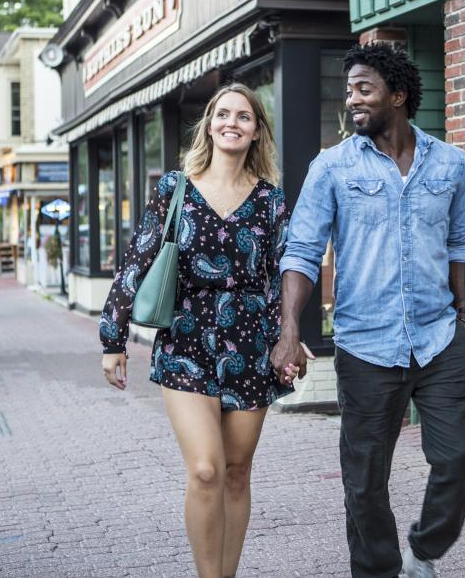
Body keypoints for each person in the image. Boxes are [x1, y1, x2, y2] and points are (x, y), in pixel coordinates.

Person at [272, 43, 465, 578]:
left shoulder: (451, 163)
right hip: (366, 345)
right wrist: (290, 330)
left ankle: (424, 550)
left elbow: (461, 243)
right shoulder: (333, 167)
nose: (352, 101)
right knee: (365, 481)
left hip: (439, 339)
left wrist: (462, 314)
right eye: (349, 92)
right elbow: (301, 252)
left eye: (363, 89)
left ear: (399, 94)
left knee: (460, 456)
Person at [99, 83, 300, 578]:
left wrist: (289, 335)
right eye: (223, 114)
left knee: (236, 473)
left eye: (244, 117)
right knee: (206, 468)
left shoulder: (272, 201)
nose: (233, 123)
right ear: (210, 125)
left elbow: (284, 273)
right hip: (186, 341)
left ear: (257, 132)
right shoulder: (175, 188)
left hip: (252, 345)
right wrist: (113, 336)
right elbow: (138, 258)